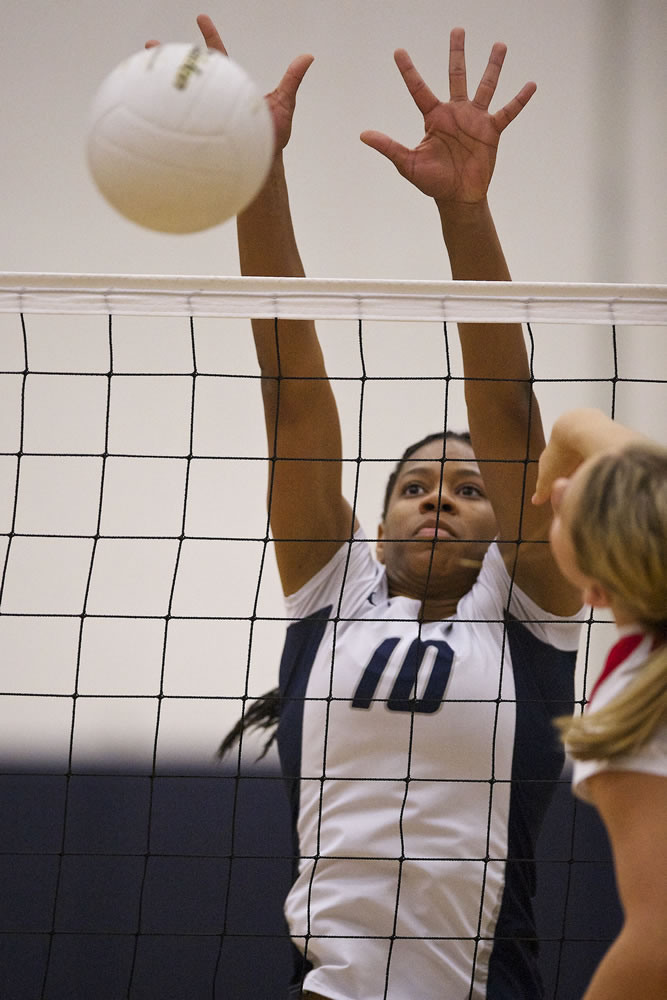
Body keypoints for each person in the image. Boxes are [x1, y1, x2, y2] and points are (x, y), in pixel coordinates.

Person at [150, 15, 583, 999]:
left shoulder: (530, 611)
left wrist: (463, 215)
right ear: (373, 523)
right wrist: (258, 181)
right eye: (414, 485)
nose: (437, 495)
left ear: (504, 520)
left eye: (468, 489)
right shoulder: (332, 589)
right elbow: (291, 392)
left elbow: (510, 417)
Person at [533, 407, 667, 1000]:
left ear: (592, 592)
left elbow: (659, 940)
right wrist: (568, 432)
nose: (558, 488)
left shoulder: (635, 702)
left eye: (566, 509)